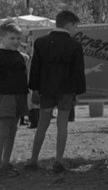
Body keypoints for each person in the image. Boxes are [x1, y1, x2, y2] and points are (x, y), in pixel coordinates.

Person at [26, 10, 86, 172]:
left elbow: (35, 69)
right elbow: (78, 72)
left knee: (42, 125)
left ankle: (33, 159)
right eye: (75, 26)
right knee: (62, 125)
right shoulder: (75, 45)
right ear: (68, 25)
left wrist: (35, 89)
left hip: (46, 90)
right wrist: (78, 92)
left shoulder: (40, 42)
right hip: (66, 91)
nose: (76, 30)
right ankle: (59, 160)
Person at [0, 21, 29, 176]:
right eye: (12, 38)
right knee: (3, 132)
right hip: (4, 97)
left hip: (19, 95)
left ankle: (5, 164)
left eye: (18, 38)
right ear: (2, 37)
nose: (16, 42)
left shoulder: (20, 56)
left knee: (13, 131)